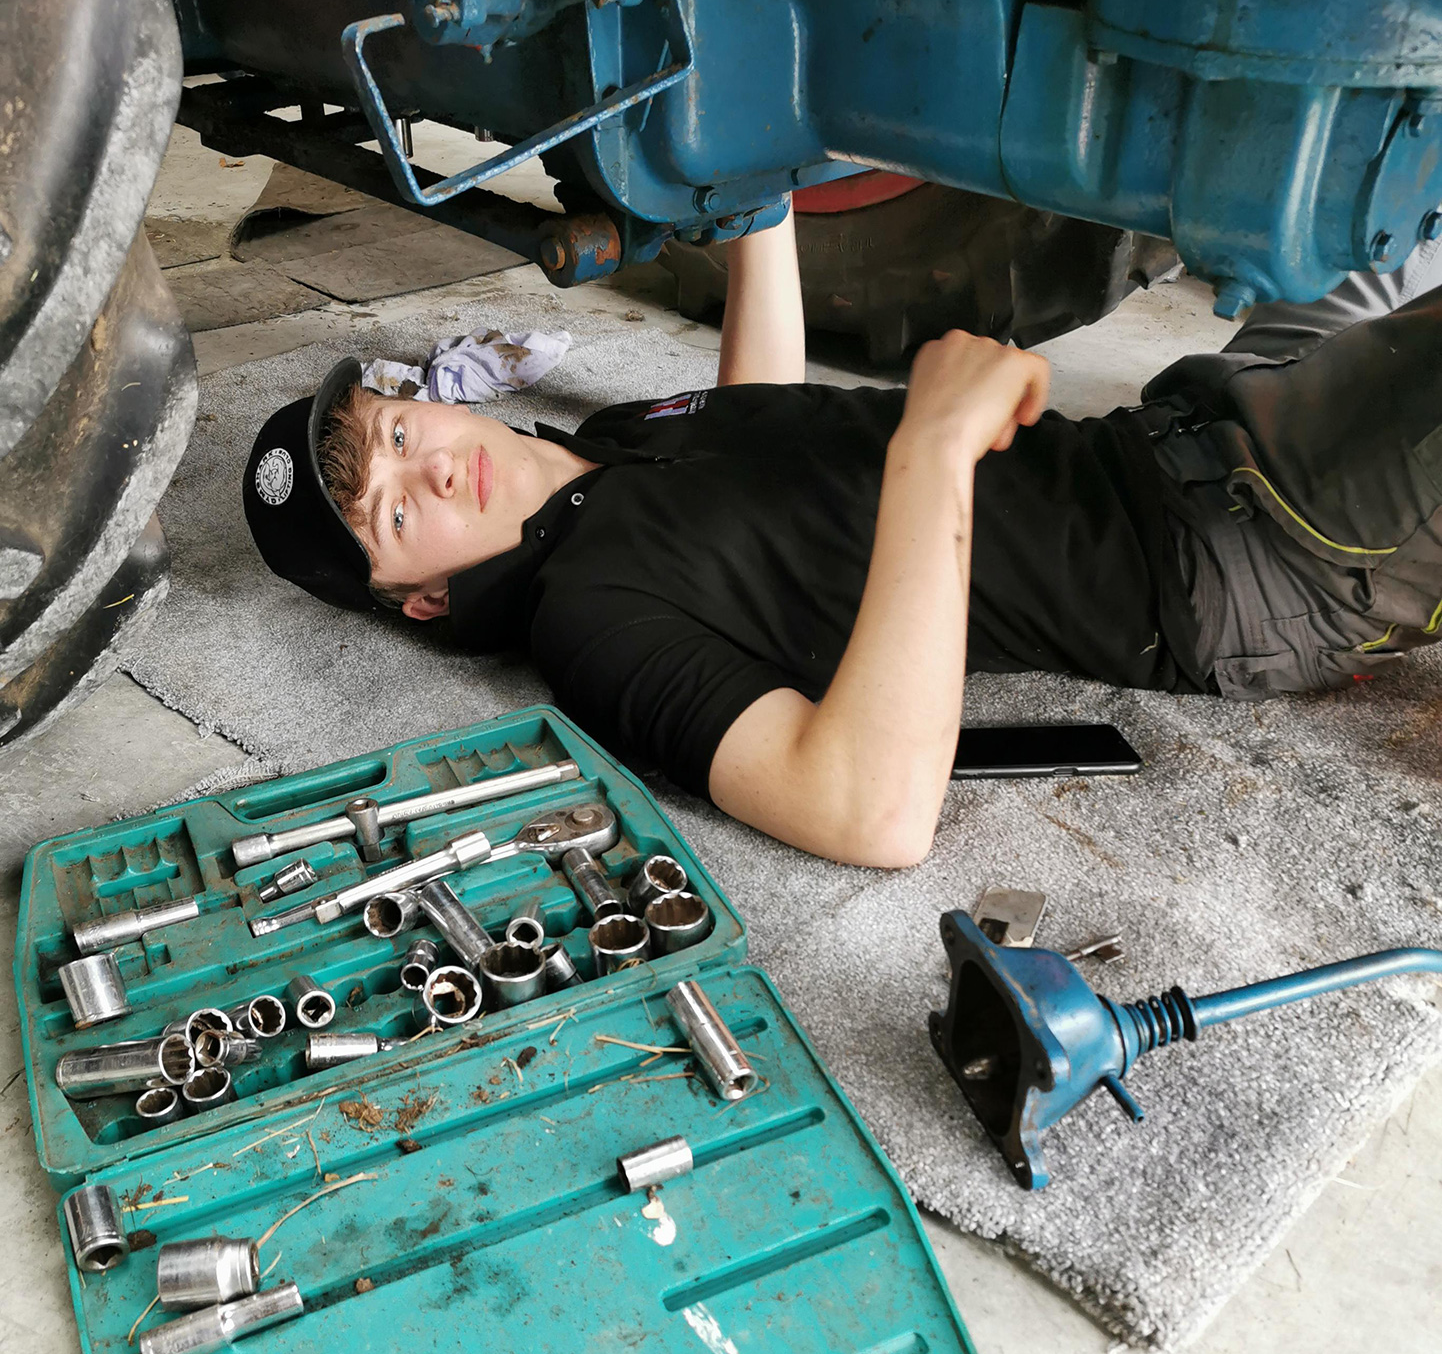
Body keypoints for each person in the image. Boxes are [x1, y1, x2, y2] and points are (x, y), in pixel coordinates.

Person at [243, 208, 1442, 868]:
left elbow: (751, 422)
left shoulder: (609, 440)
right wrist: (931, 454)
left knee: (1365, 188)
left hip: (1191, 415)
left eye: (399, 429)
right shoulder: (591, 622)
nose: (434, 465)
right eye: (398, 513)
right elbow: (867, 812)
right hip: (1243, 549)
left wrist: (759, 211)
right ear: (418, 600)